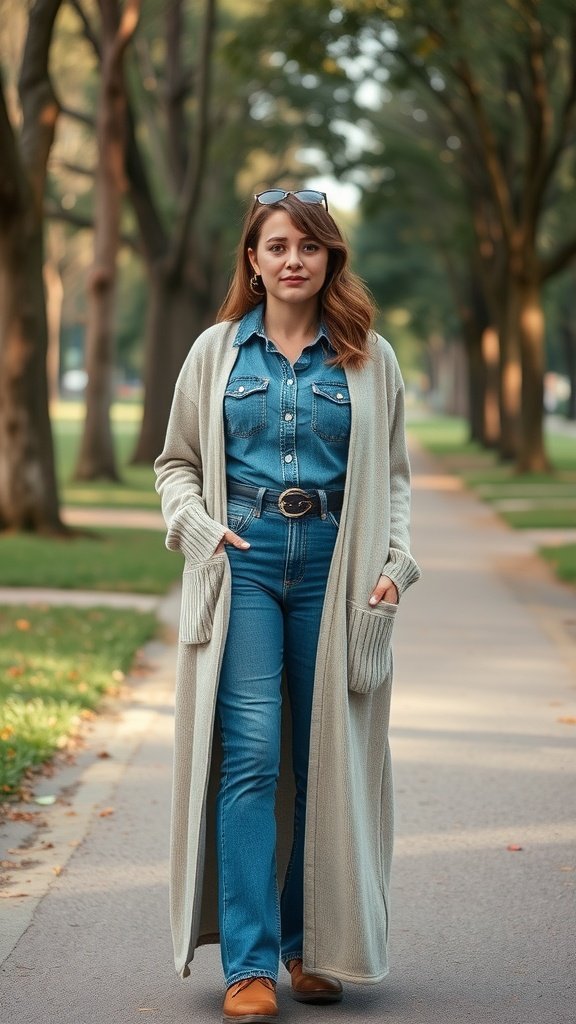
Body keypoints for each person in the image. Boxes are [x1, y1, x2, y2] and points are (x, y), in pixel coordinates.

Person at [154, 188, 421, 1024]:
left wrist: (396, 563)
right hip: (246, 563)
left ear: (330, 258)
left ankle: (310, 948)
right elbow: (176, 465)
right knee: (253, 754)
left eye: (308, 246)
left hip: (336, 569)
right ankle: (248, 963)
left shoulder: (370, 359)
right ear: (253, 260)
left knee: (323, 758)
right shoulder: (215, 353)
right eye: (276, 246)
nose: (292, 259)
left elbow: (398, 480)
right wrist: (196, 529)